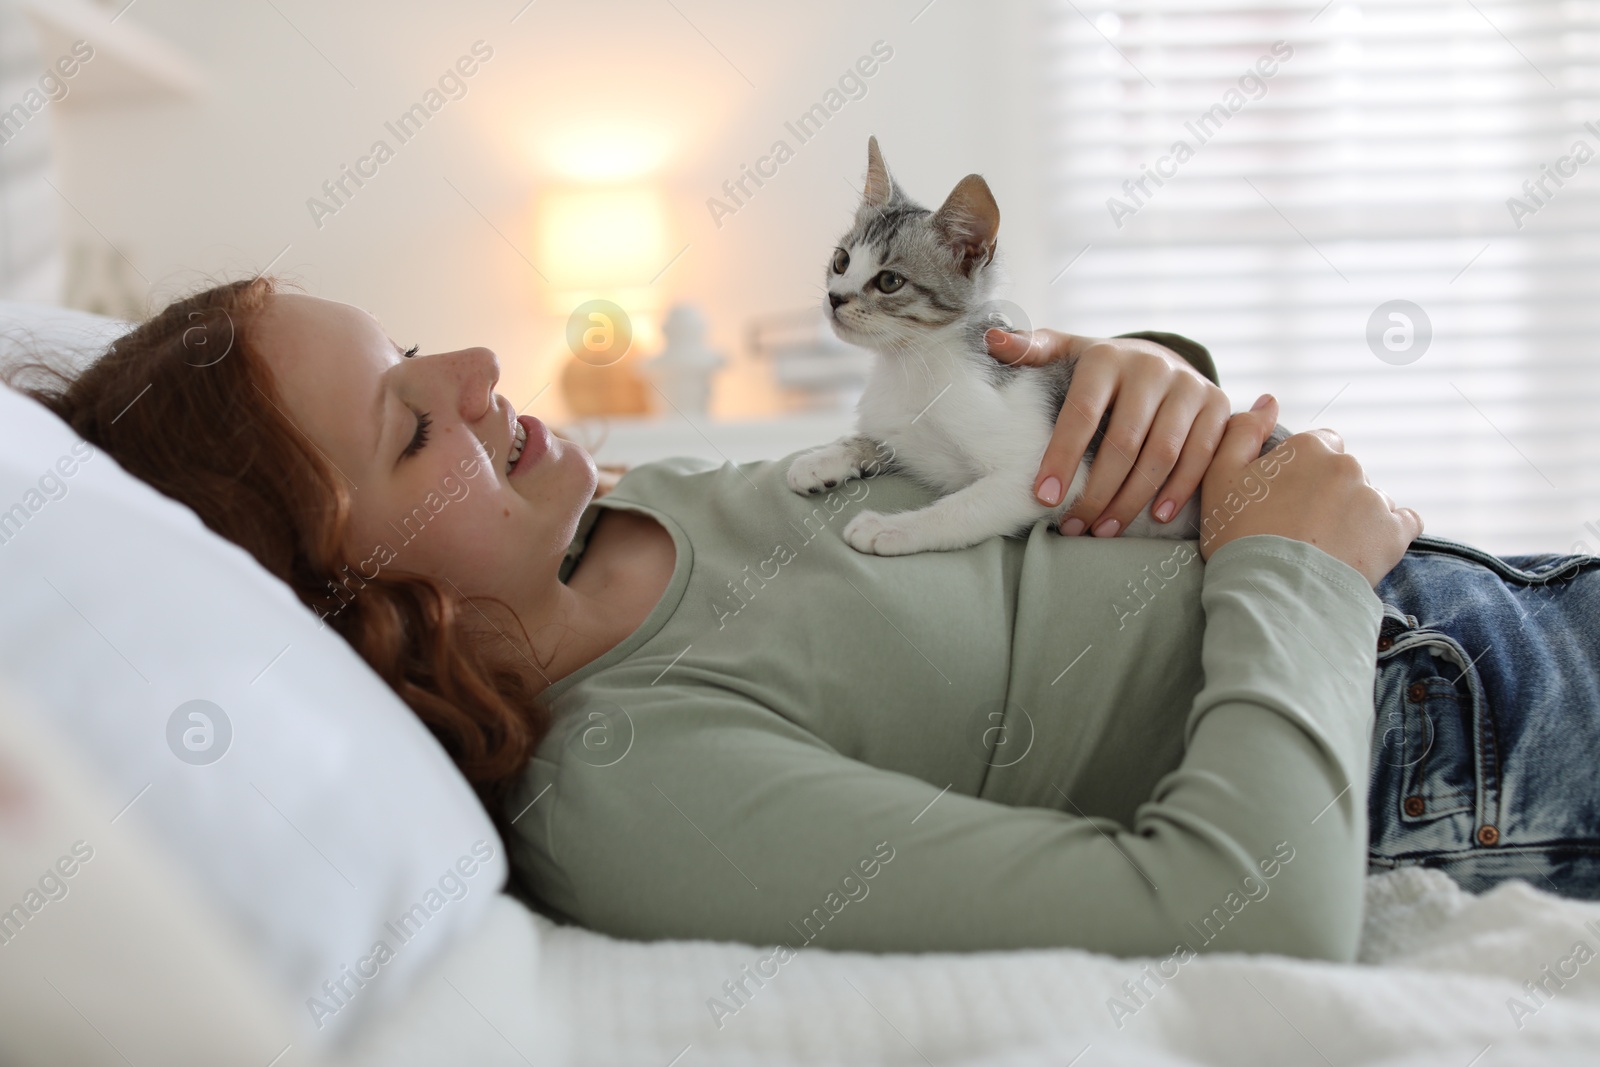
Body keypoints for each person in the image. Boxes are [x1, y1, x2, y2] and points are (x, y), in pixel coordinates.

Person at [10, 277, 1599, 965]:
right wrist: (1299, 570)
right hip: (1464, 749)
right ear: (363, 623)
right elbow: (1245, 917)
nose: (480, 373)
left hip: (1483, 608)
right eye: (410, 428)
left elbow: (989, 553)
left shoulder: (638, 508)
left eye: (420, 348)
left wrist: (1130, 382)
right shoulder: (638, 789)